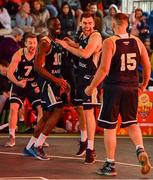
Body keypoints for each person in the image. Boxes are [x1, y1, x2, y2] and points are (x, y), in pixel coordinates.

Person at [85, 13, 151, 176]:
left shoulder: (110, 42)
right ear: (127, 25)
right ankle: (140, 149)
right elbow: (147, 65)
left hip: (114, 88)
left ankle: (110, 164)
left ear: (113, 25)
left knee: (110, 126)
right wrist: (144, 83)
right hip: (131, 87)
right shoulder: (137, 41)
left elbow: (104, 69)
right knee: (131, 122)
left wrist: (91, 87)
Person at [56, 12, 102, 164]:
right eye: (85, 23)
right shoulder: (82, 34)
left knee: (89, 113)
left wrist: (66, 47)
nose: (87, 26)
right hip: (80, 76)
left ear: (94, 24)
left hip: (92, 78)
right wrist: (71, 43)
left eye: (90, 23)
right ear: (81, 23)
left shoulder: (95, 36)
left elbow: (86, 53)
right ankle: (83, 141)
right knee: (80, 109)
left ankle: (91, 149)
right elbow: (81, 45)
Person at [23, 17, 70, 160]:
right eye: (54, 25)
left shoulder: (57, 43)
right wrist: (56, 80)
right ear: (48, 27)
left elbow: (55, 67)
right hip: (47, 83)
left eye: (59, 25)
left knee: (46, 116)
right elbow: (37, 67)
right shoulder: (45, 43)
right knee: (59, 111)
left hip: (54, 82)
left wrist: (62, 80)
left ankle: (30, 146)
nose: (57, 27)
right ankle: (38, 145)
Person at [5, 32, 43, 147]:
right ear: (25, 44)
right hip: (19, 84)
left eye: (34, 43)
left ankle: (39, 138)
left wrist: (39, 86)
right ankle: (11, 137)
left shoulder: (39, 54)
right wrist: (17, 82)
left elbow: (43, 72)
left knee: (41, 109)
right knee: (14, 107)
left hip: (33, 85)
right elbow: (9, 73)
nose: (32, 45)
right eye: (30, 43)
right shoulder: (18, 54)